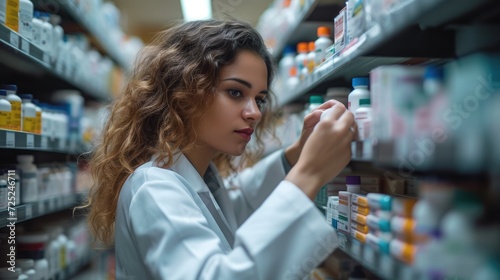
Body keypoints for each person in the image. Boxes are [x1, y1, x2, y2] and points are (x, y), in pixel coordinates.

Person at [83, 19, 355, 280]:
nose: (255, 113)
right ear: (186, 92)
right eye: (236, 92)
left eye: (259, 99)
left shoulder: (202, 178)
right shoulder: (153, 187)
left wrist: (297, 153)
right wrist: (308, 174)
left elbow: (240, 204)